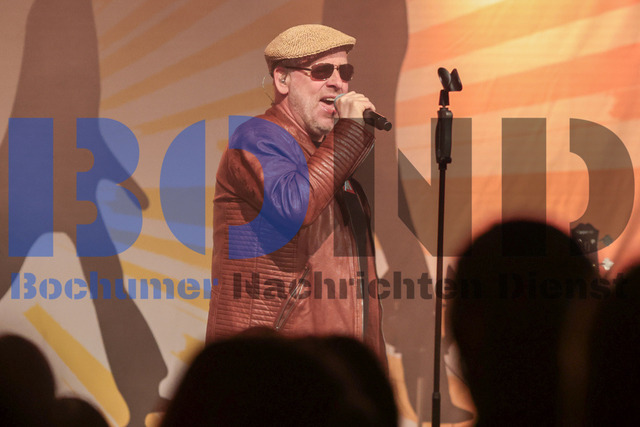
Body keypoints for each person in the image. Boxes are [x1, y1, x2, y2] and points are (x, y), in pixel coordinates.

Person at [206, 24, 385, 364]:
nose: (338, 83)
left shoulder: (328, 155)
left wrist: (369, 368)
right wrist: (349, 133)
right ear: (282, 79)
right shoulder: (257, 138)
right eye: (321, 71)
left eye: (344, 72)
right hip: (271, 360)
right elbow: (295, 206)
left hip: (328, 363)